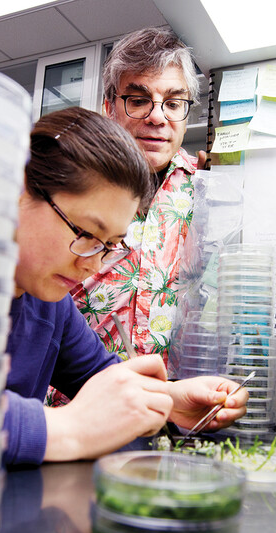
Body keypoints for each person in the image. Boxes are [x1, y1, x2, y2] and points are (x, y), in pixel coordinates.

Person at [3, 107, 246, 465]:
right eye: (86, 233)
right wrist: (70, 426)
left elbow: (97, 375)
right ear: (20, 192)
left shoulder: (50, 303)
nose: (91, 264)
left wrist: (168, 400)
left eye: (110, 244)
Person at [68, 27, 204, 363]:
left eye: (173, 103)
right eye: (139, 100)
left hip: (170, 400)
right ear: (109, 106)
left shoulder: (205, 189)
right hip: (77, 401)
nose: (158, 117)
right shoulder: (70, 182)